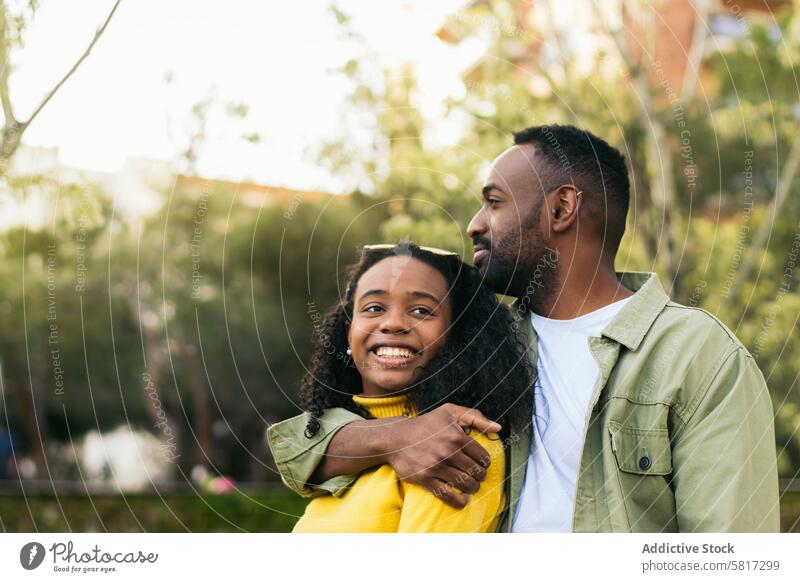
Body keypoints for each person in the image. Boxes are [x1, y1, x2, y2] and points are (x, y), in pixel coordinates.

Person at [268, 124, 780, 532]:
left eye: (493, 202)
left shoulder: (697, 355)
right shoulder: (478, 343)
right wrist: (396, 436)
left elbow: (730, 550)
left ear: (561, 208)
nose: (473, 224)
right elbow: (300, 446)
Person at [270, 242, 533, 532]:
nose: (393, 323)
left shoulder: (456, 446)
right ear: (348, 331)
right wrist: (394, 437)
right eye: (374, 308)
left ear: (458, 335)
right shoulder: (344, 446)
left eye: (421, 310)